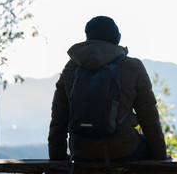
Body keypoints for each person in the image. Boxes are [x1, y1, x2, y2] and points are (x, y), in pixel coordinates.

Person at [48, 16, 168, 161]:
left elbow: (59, 117)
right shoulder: (132, 67)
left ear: (88, 38)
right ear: (117, 38)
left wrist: (57, 157)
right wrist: (160, 157)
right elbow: (149, 117)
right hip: (124, 151)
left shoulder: (71, 68)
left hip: (82, 153)